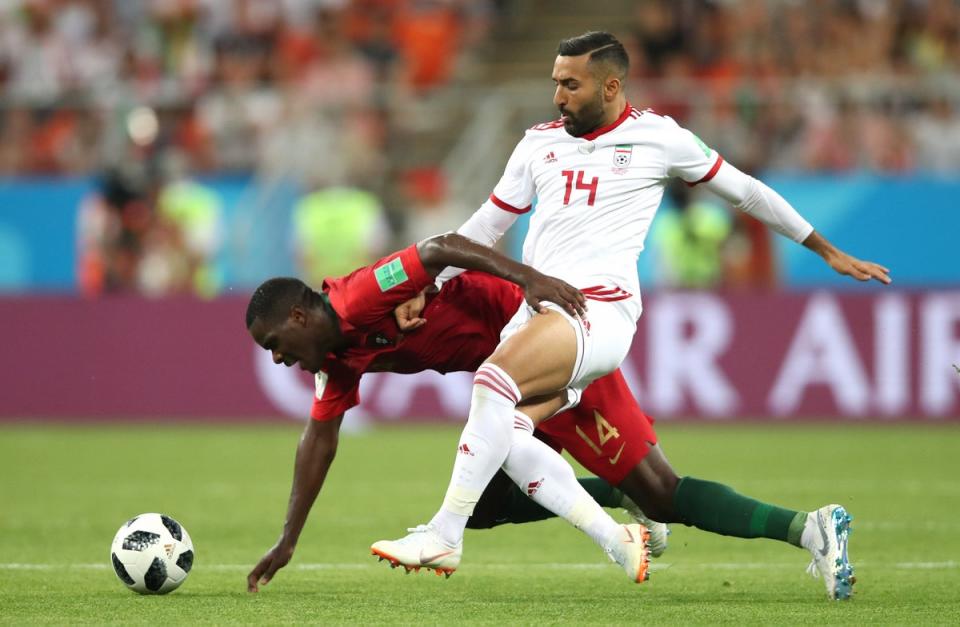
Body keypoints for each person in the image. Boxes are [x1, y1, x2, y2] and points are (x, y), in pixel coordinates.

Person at [373, 31, 890, 601]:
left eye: (571, 85)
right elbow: (483, 229)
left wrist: (825, 249)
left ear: (611, 86)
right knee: (510, 431)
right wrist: (423, 280)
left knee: (492, 384)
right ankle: (745, 530)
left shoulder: (659, 138)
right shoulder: (536, 145)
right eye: (555, 84)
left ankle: (444, 534)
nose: (559, 97)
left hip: (598, 312)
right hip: (537, 319)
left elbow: (746, 192)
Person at [245, 233, 655, 591]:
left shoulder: (359, 295)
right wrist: (288, 539)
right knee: (485, 507)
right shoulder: (336, 361)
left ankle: (621, 520)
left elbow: (442, 246)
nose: (278, 357)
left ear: (298, 316)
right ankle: (621, 498)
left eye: (275, 343)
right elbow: (318, 440)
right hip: (504, 374)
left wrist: (527, 278)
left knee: (663, 490)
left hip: (534, 335)